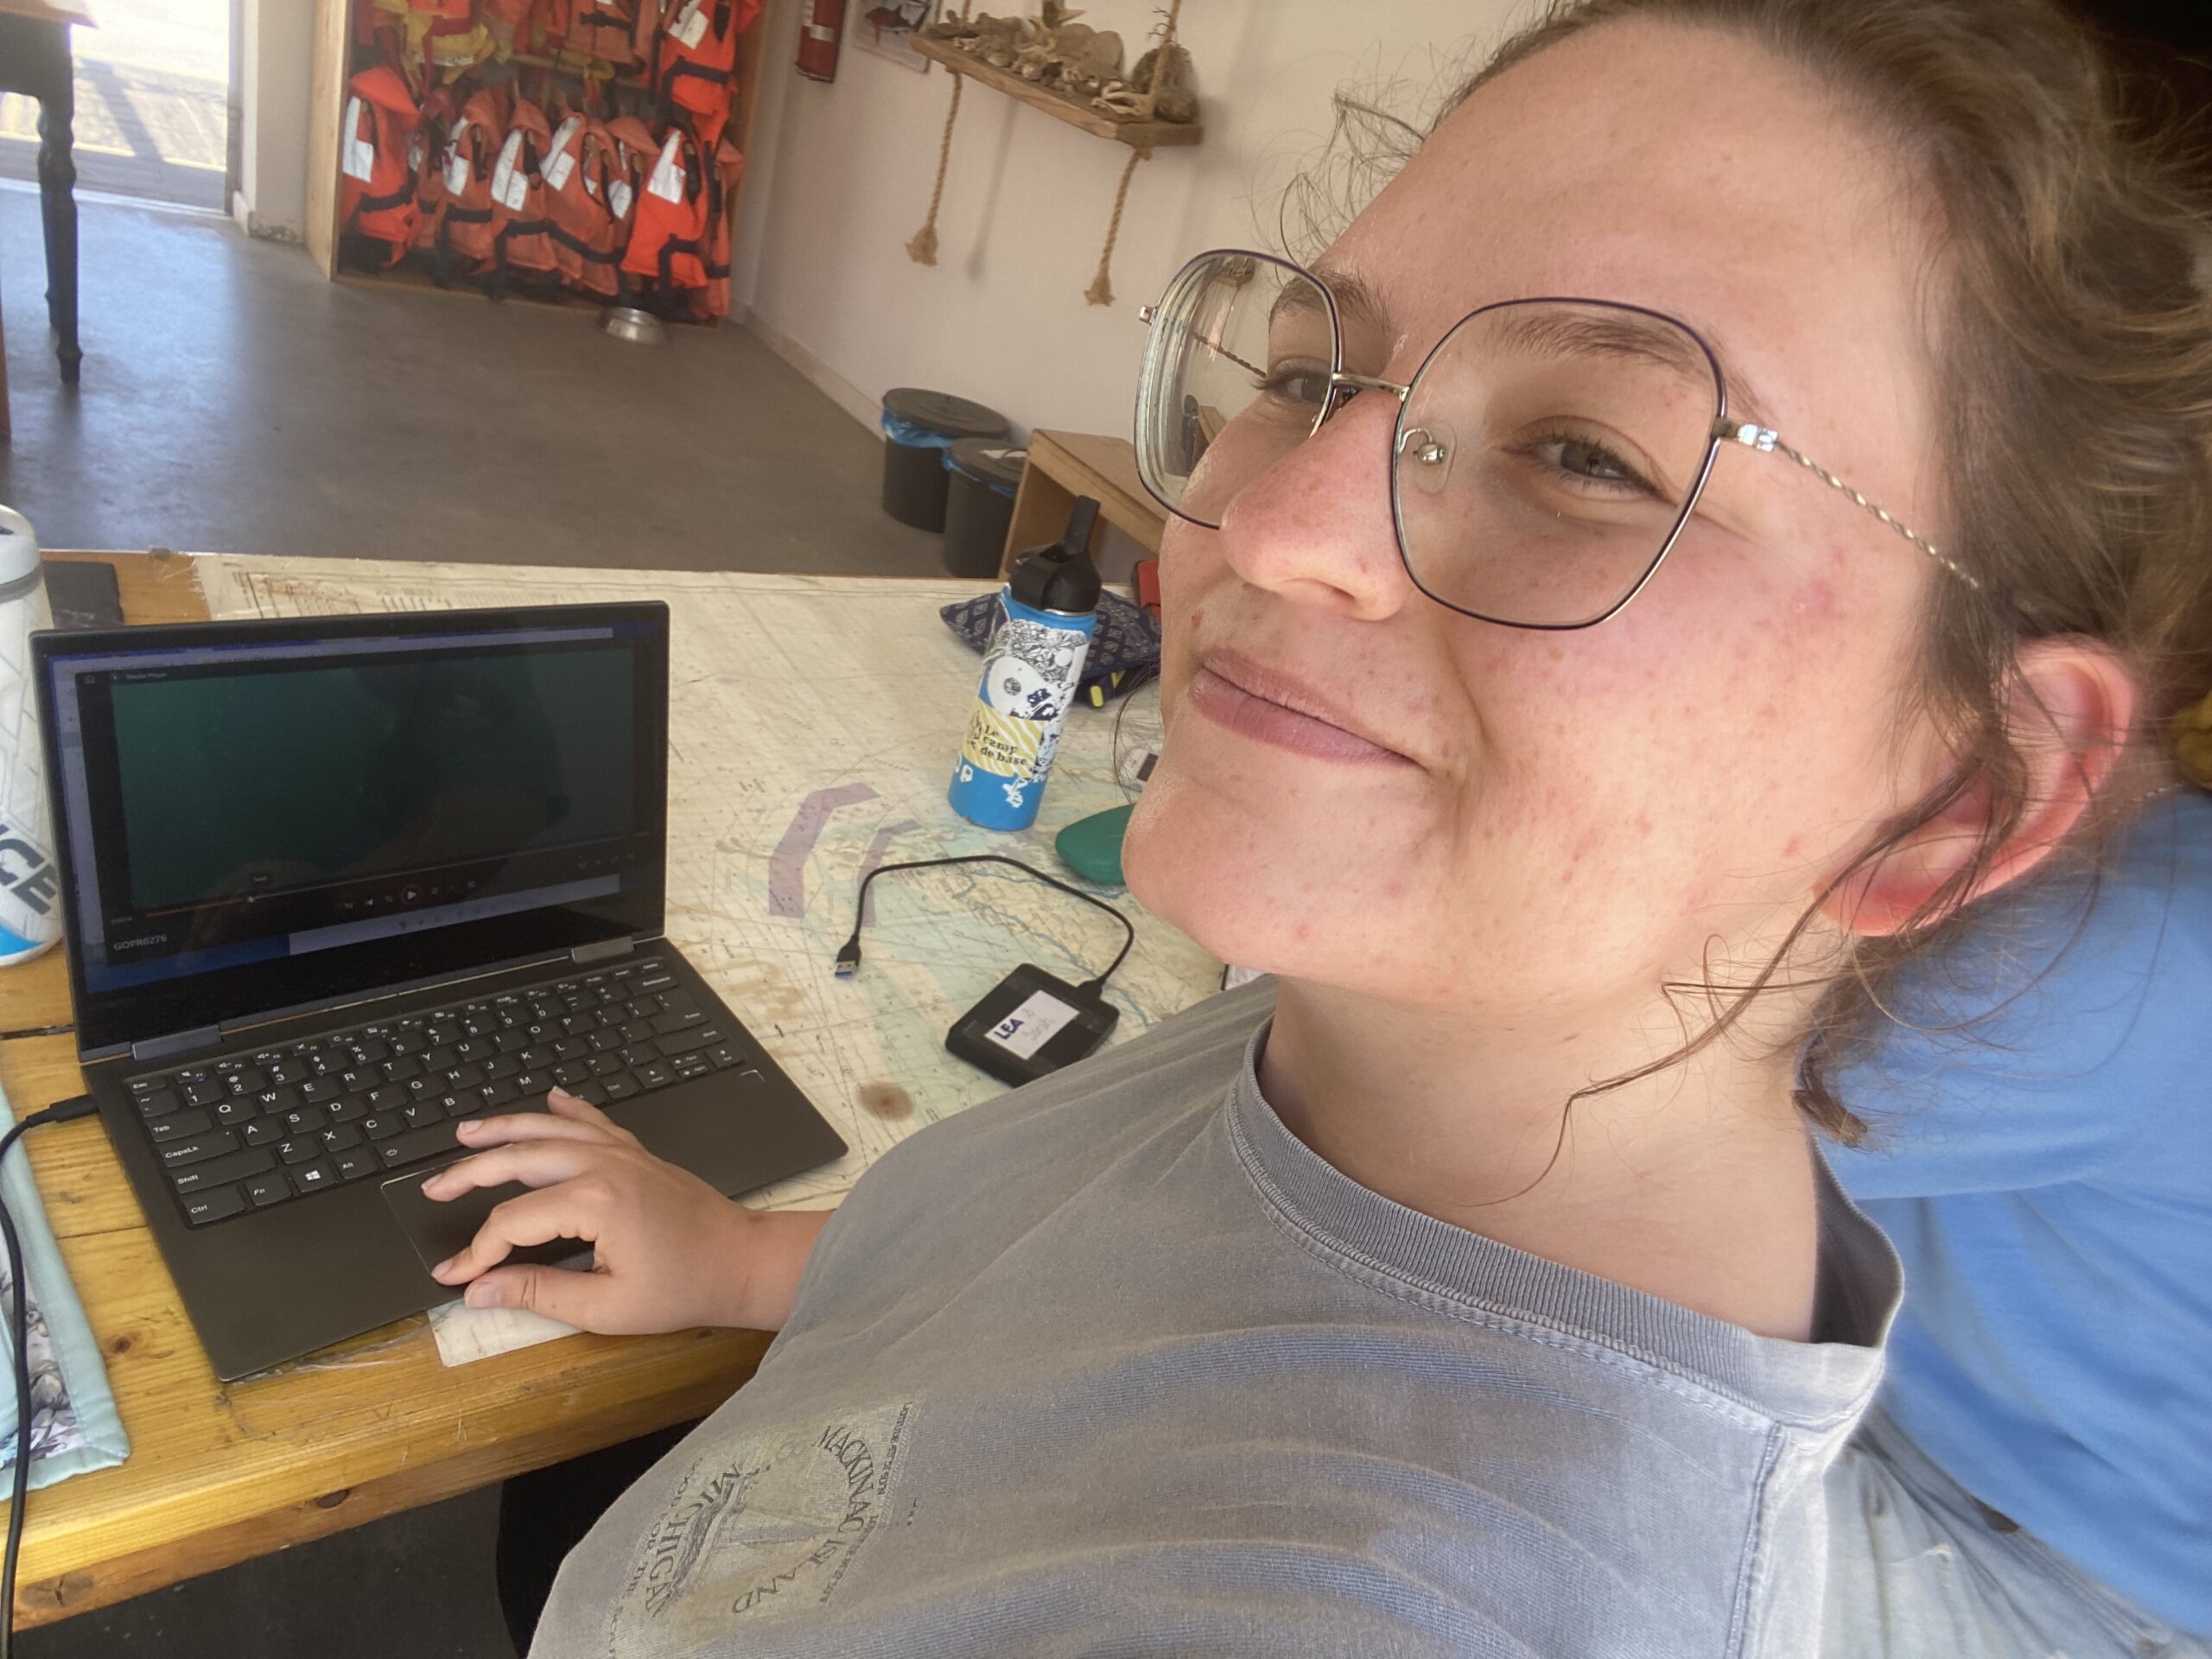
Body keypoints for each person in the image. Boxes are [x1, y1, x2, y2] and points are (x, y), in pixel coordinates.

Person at [422, 0, 2212, 1652]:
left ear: (1958, 793)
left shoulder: (1406, 1598)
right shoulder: (1377, 1037)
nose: (1268, 522)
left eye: (1589, 458)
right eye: (1308, 373)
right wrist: (740, 1261)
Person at [1819, 781, 2212, 1656]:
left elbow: (1628, 1127)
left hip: (2075, 1594)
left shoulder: (2150, 952)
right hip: (1940, 1441)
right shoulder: (2155, 867)